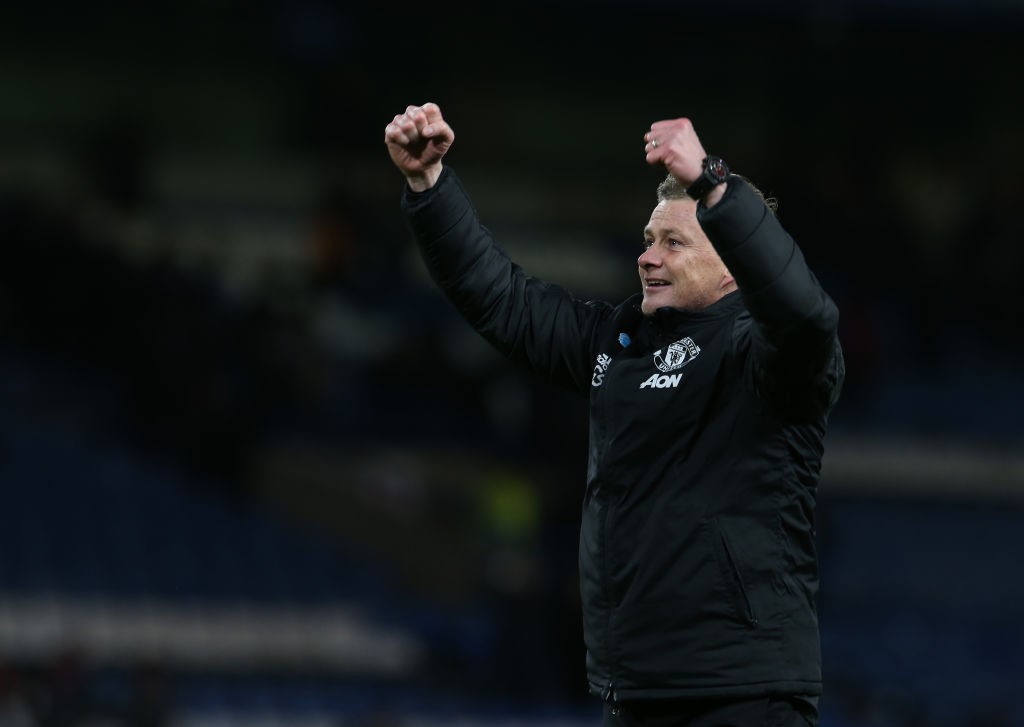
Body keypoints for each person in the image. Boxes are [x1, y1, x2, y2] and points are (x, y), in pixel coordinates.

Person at [384, 102, 844, 727]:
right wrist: (428, 185)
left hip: (743, 694)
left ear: (735, 264)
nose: (647, 257)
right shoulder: (619, 340)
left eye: (673, 242)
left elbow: (807, 315)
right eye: (647, 240)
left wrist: (713, 183)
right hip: (634, 693)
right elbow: (503, 300)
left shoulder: (767, 356)